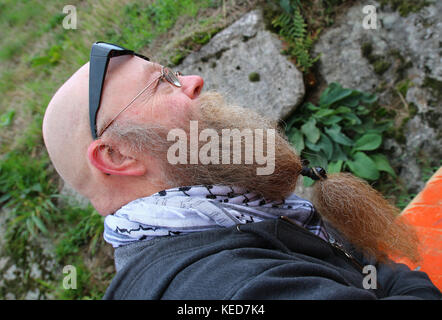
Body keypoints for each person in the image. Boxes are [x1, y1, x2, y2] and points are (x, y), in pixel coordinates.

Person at [42, 42, 441, 299]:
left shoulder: (236, 211)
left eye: (174, 72)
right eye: (162, 83)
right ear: (117, 156)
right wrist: (406, 283)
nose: (194, 81)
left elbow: (369, 270)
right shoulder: (222, 289)